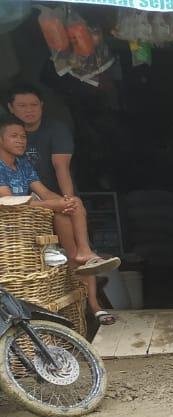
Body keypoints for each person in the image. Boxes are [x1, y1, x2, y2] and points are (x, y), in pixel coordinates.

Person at [6, 83, 118, 322]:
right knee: (65, 218)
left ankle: (92, 296)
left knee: (72, 214)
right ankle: (86, 278)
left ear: (42, 106)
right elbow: (9, 201)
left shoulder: (52, 133)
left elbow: (61, 169)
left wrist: (66, 201)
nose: (29, 110)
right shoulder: (6, 157)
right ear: (10, 108)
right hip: (22, 214)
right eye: (22, 106)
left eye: (34, 105)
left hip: (46, 201)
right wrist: (58, 205)